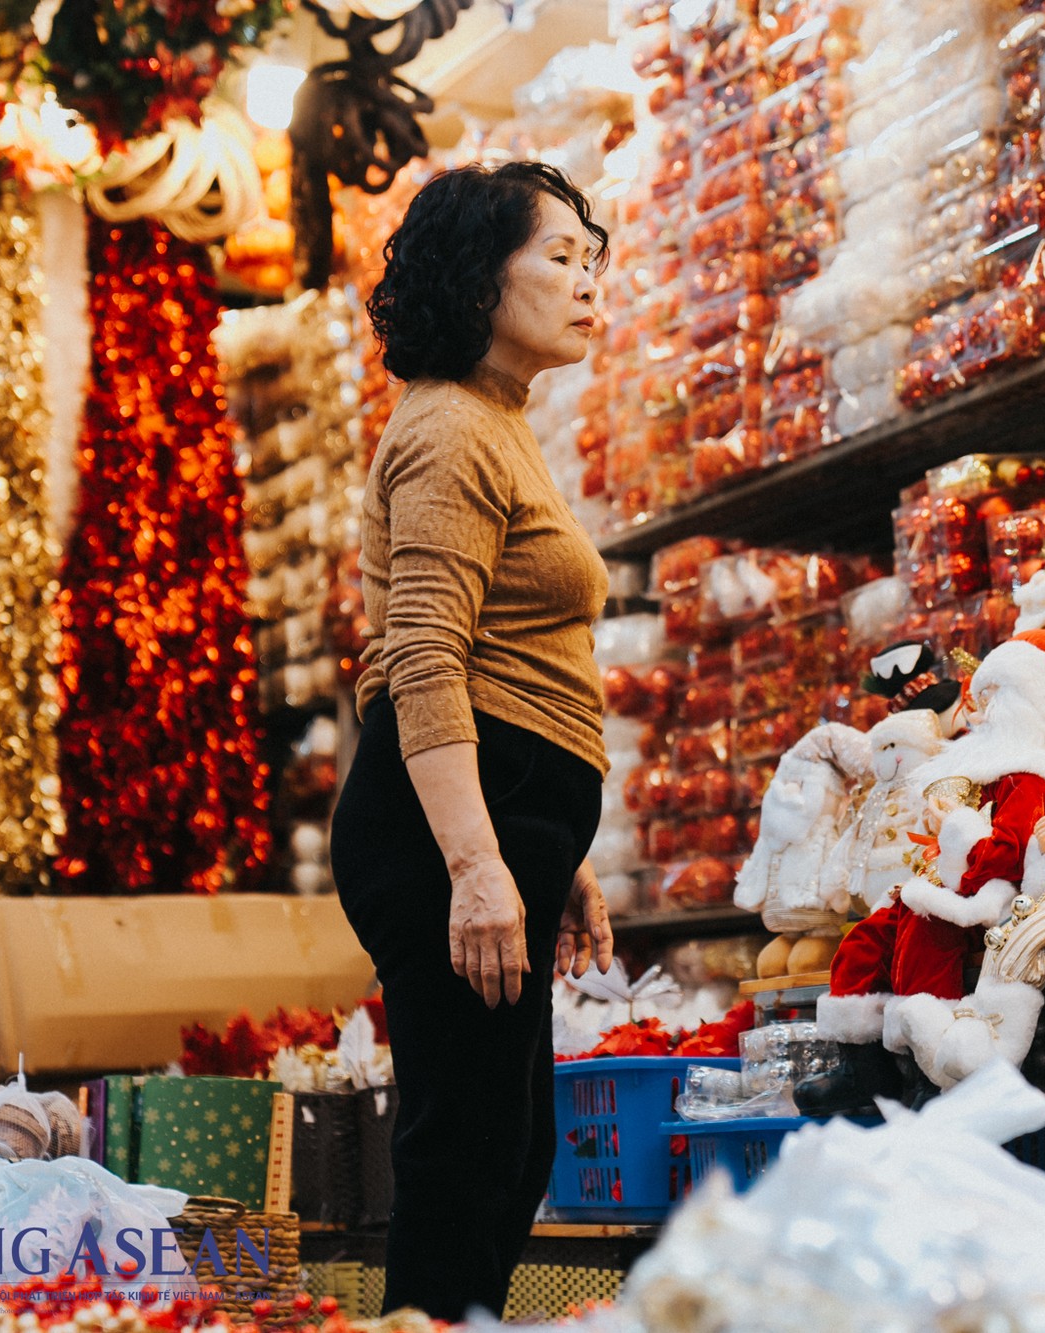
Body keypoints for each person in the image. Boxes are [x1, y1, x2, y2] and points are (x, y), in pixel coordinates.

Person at [330, 161, 616, 1320]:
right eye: (559, 256)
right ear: (477, 277)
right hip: (437, 830)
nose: (588, 281)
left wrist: (556, 853)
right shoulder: (450, 430)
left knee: (508, 1154)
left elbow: (509, 656)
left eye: (592, 259)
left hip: (499, 822)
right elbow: (425, 661)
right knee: (466, 1157)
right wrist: (477, 860)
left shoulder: (496, 426)